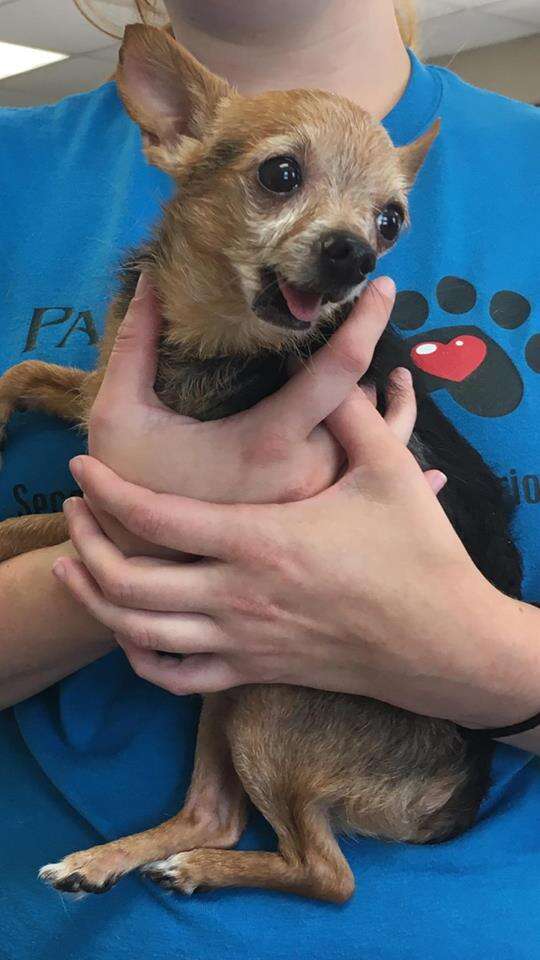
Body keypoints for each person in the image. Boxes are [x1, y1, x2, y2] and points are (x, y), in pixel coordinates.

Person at [1, 1, 539, 956]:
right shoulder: (21, 167)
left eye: (384, 222)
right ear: (170, 129)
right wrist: (155, 536)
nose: (354, 245)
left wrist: (475, 652)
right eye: (282, 177)